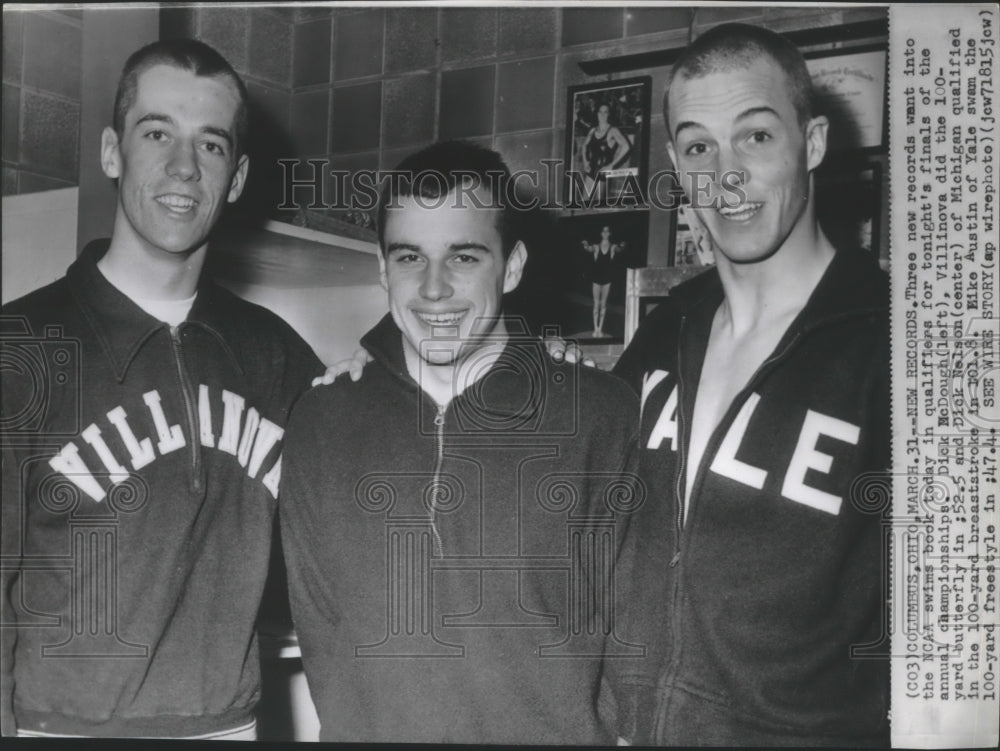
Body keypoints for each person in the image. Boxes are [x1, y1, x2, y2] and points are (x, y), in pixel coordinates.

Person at [1, 39, 323, 739]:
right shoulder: (18, 348)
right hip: (58, 729)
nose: (183, 167)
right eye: (157, 134)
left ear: (235, 178)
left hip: (228, 726)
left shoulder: (279, 359)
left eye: (210, 145)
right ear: (112, 153)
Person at [279, 141, 645, 744]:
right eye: (408, 257)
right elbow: (320, 630)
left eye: (464, 257)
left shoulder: (601, 416)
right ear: (381, 268)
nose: (434, 288)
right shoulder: (322, 419)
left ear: (513, 265)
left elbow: (629, 633)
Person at [610, 23, 890, 746]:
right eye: (700, 146)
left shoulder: (896, 349)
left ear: (815, 142)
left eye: (757, 137)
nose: (726, 175)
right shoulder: (662, 333)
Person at [580, 104, 631, 201]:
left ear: (609, 114)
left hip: (603, 171)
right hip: (591, 169)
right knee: (584, 202)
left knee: (597, 204)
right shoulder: (592, 130)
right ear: (597, 113)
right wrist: (585, 161)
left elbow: (626, 146)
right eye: (600, 112)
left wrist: (612, 165)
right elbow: (584, 146)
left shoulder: (613, 130)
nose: (602, 115)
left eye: (605, 112)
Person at [580, 225, 625, 336]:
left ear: (609, 233)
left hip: (607, 279)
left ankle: (600, 328)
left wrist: (622, 246)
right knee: (596, 304)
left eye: (607, 231)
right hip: (596, 278)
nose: (605, 233)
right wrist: (585, 244)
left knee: (603, 304)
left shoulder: (613, 247)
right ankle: (595, 328)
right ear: (601, 233)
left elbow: (619, 249)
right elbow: (588, 249)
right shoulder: (596, 247)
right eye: (603, 231)